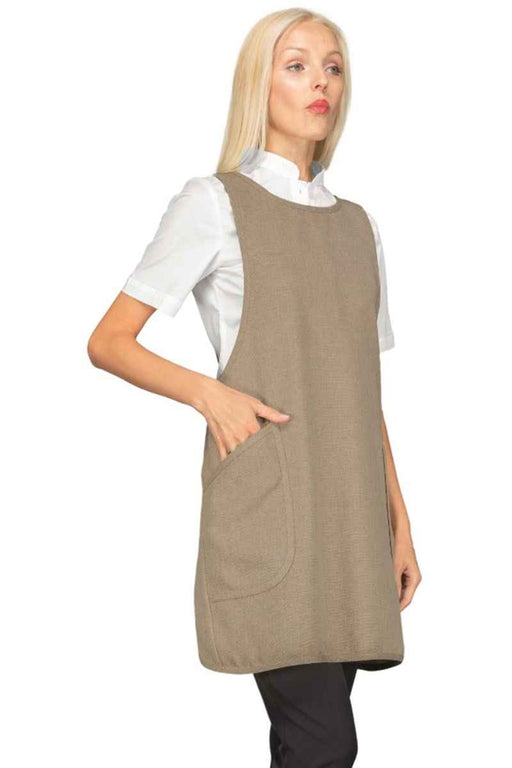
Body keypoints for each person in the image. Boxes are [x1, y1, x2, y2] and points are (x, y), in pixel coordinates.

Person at [88, 8, 421, 767]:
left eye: (332, 67)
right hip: (274, 511)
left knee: (305, 748)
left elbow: (362, 392)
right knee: (326, 746)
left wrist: (398, 523)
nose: (320, 82)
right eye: (296, 65)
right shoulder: (215, 203)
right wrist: (211, 394)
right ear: (258, 84)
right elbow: (109, 341)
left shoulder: (358, 227)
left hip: (351, 521)